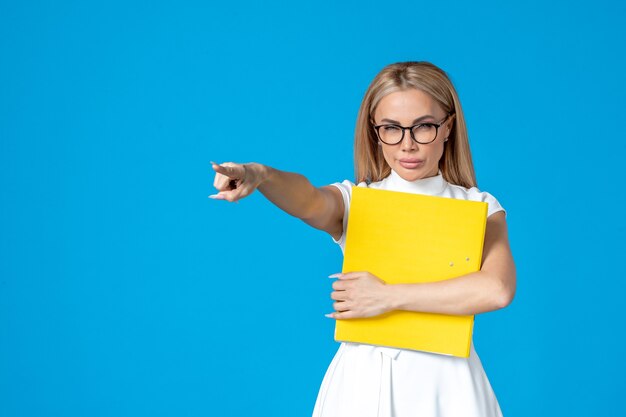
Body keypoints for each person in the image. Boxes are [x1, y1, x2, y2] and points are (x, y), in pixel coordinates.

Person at [209, 61, 516, 417]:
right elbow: (309, 200)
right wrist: (261, 175)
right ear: (374, 131)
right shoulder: (358, 201)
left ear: (448, 127)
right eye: (391, 129)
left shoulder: (479, 206)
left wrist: (386, 297)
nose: (408, 145)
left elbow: (496, 289)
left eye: (424, 127)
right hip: (361, 386)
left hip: (448, 387)